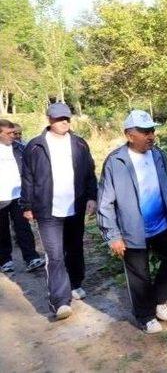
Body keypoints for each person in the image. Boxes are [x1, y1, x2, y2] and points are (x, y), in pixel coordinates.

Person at [97, 110, 167, 334]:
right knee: (139, 275)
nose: (151, 136)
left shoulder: (158, 155)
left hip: (162, 223)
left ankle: (157, 300)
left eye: (152, 130)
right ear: (129, 134)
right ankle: (144, 316)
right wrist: (113, 235)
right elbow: (105, 202)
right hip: (132, 230)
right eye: (145, 131)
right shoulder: (116, 161)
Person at [21, 103, 97, 320]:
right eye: (58, 119)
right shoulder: (35, 146)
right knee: (54, 255)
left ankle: (75, 283)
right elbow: (27, 178)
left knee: (74, 248)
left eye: (66, 118)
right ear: (49, 120)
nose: (63, 122)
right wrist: (26, 205)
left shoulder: (80, 143)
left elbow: (90, 173)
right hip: (47, 210)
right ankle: (60, 301)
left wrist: (92, 197)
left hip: (76, 206)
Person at [0, 119, 45, 273]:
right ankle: (5, 260)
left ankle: (31, 257)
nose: (13, 136)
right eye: (9, 133)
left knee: (23, 227)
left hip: (19, 195)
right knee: (2, 230)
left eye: (14, 132)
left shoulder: (20, 148)